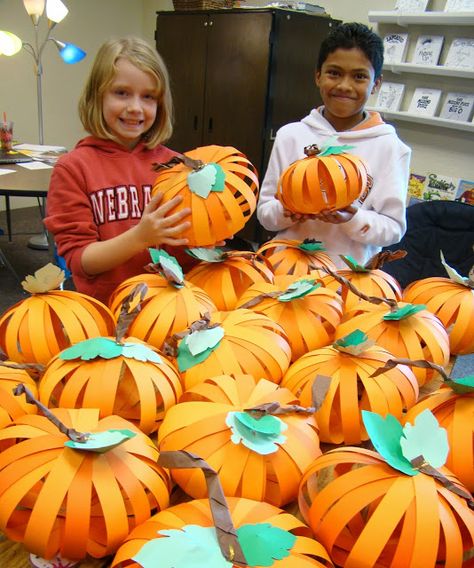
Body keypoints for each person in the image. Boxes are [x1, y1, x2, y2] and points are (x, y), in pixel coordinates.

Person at [44, 36, 192, 304]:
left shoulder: (178, 166)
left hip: (173, 309)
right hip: (108, 314)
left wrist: (213, 232)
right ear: (96, 95)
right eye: (121, 92)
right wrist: (140, 237)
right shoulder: (73, 168)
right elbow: (80, 261)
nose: (135, 107)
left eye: (148, 97)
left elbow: (188, 247)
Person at [257, 22, 411, 269]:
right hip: (286, 270)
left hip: (348, 279)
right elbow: (266, 214)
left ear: (376, 84)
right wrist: (287, 209)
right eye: (334, 73)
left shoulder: (391, 148)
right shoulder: (291, 136)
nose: (344, 86)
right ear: (318, 75)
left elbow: (393, 228)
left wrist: (353, 218)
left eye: (359, 76)